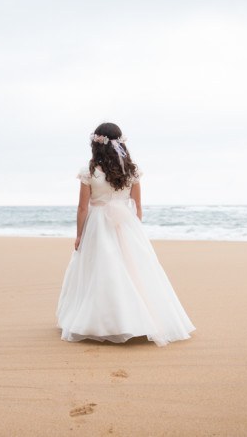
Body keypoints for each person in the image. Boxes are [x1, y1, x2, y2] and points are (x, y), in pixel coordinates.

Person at [56, 122, 195, 345]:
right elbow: (137, 205)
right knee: (134, 271)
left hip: (98, 225)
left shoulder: (89, 171)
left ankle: (101, 321)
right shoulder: (131, 170)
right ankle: (141, 319)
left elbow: (83, 208)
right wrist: (134, 229)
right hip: (126, 224)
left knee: (100, 270)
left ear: (96, 143)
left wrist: (79, 234)